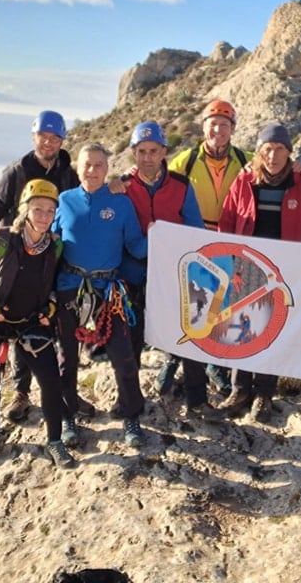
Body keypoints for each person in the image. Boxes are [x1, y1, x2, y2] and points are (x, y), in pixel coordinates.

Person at [0, 110, 88, 424]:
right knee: (16, 319)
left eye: (55, 138)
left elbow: (81, 201)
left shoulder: (68, 171)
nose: (49, 142)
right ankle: (21, 391)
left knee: (50, 323)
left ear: (62, 140)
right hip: (16, 257)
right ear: (34, 137)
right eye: (44, 136)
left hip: (52, 256)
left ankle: (65, 391)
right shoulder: (17, 172)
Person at [0, 179, 75, 468]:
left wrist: (51, 304)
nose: (43, 216)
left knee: (50, 381)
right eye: (38, 209)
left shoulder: (54, 247)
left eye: (50, 211)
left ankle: (54, 441)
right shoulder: (4, 238)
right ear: (25, 210)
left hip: (30, 320)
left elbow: (55, 282)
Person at [118, 121, 222, 421]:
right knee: (131, 339)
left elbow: (194, 231)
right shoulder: (123, 186)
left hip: (175, 271)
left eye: (153, 151)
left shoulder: (180, 185)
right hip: (135, 272)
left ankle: (198, 400)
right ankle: (130, 400)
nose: (147, 158)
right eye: (141, 152)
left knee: (191, 333)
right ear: (133, 153)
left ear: (164, 151)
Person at [217, 123, 301, 423]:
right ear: (259, 153)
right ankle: (239, 389)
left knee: (272, 330)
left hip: (282, 271)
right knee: (242, 328)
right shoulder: (244, 181)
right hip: (246, 268)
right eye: (267, 150)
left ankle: (264, 393)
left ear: (289, 152)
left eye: (279, 149)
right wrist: (228, 261)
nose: (273, 155)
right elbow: (227, 221)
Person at [52, 144, 149, 447]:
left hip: (109, 291)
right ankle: (67, 416)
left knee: (124, 356)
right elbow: (51, 241)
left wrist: (162, 239)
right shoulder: (64, 200)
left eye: (98, 165)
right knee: (67, 357)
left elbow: (134, 244)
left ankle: (131, 414)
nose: (92, 170)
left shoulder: (120, 203)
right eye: (87, 165)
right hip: (70, 286)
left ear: (107, 169)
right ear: (77, 168)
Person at [167, 99, 253, 396]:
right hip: (194, 239)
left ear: (233, 129)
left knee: (221, 305)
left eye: (225, 125)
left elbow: (274, 166)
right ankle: (172, 359)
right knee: (192, 304)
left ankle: (213, 363)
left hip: (230, 240)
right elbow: (160, 186)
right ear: (203, 127)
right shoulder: (184, 161)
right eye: (213, 124)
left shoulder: (246, 160)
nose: (218, 130)